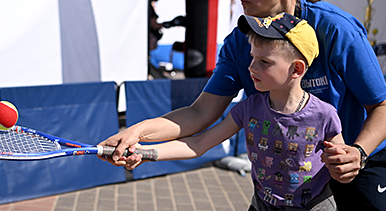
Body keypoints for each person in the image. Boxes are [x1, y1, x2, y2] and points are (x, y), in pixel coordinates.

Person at [101, 0, 386, 210]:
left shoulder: (337, 29)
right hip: (287, 184)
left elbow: (381, 105)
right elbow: (200, 114)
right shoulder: (241, 41)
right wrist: (137, 133)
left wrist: (357, 152)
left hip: (353, 159)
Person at [128, 13, 344, 210]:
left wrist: (345, 163)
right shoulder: (248, 109)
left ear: (296, 69)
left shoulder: (324, 115)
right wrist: (146, 153)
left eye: (264, 62)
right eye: (252, 58)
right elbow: (198, 143)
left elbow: (342, 165)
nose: (251, 67)